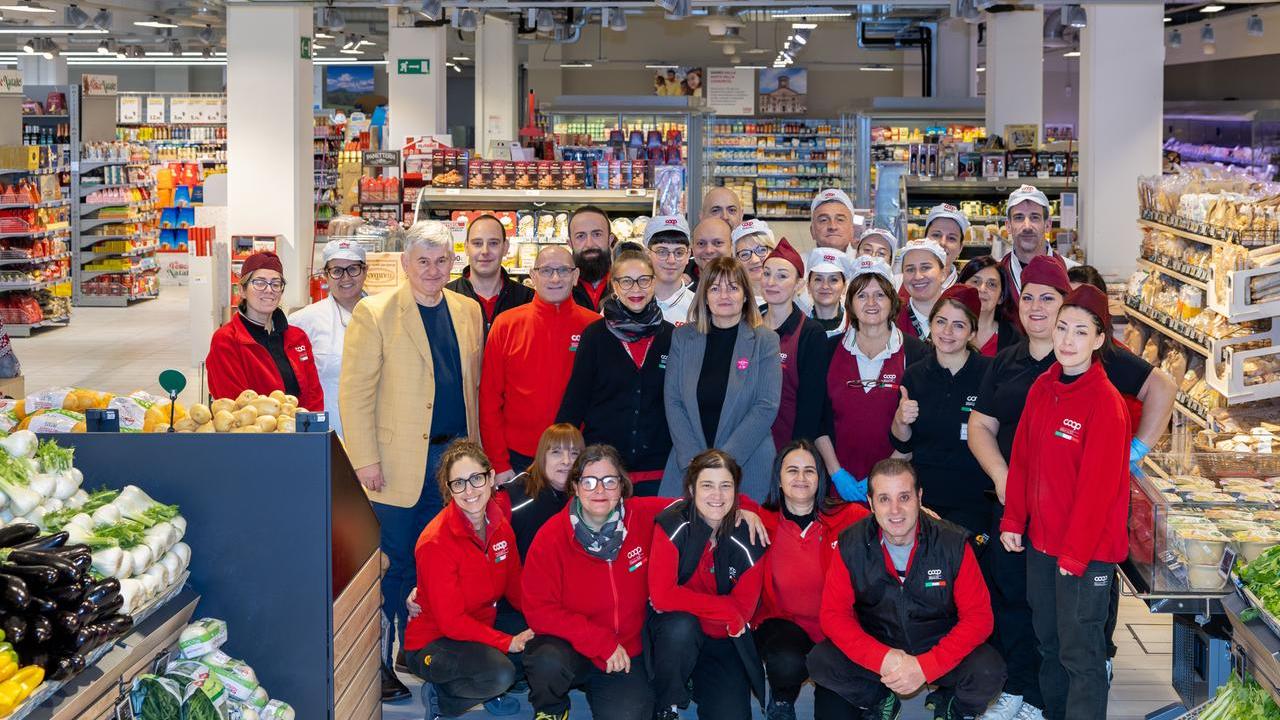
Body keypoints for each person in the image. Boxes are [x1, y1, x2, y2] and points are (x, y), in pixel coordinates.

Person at [341, 221, 485, 702]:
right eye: (422, 260)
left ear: (453, 262)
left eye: (442, 260)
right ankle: (378, 661)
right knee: (395, 564)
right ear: (405, 263)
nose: (432, 270)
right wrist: (363, 460)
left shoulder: (467, 310)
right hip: (397, 465)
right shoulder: (375, 312)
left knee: (439, 565)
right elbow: (355, 393)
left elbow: (473, 390)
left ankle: (415, 651)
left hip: (454, 465)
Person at [999, 285, 1130, 720]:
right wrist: (1013, 519)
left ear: (1098, 340)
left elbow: (1099, 491)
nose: (1067, 340)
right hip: (1042, 545)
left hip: (1086, 553)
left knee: (1081, 653)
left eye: (1080, 331)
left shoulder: (1105, 403)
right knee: (1049, 646)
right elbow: (1022, 460)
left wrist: (1075, 555)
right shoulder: (1043, 387)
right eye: (1062, 329)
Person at [808, 459, 1006, 720]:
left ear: (919, 496)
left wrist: (926, 666)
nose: (895, 510)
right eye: (884, 499)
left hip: (938, 642)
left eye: (904, 497)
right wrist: (882, 659)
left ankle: (953, 708)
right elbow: (833, 616)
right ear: (870, 502)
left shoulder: (952, 543)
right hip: (880, 642)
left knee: (990, 671)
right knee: (820, 660)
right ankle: (882, 700)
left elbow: (979, 618)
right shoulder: (850, 544)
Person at [965, 254, 1072, 720]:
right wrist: (1004, 477)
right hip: (1009, 506)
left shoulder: (1081, 358)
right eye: (1028, 297)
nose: (1036, 307)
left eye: (1047, 298)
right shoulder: (1006, 359)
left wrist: (1137, 450)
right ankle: (1019, 687)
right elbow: (979, 426)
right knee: (1011, 596)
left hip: (1061, 511)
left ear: (1066, 307)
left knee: (1050, 607)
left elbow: (1159, 385)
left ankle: (1044, 698)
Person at [520, 446, 670, 720]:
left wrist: (745, 510)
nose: (599, 490)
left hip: (624, 653)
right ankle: (551, 711)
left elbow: (703, 505)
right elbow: (538, 610)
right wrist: (600, 642)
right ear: (575, 487)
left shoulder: (645, 516)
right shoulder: (551, 537)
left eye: (609, 481)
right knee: (546, 661)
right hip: (572, 648)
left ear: (622, 487)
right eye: (589, 482)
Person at [405, 440, 529, 719]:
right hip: (434, 641)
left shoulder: (500, 526)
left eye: (476, 478)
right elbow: (452, 623)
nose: (470, 490)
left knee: (539, 645)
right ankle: (445, 696)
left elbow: (517, 588)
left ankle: (484, 683)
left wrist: (548, 621)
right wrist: (506, 642)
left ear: (491, 477)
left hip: (478, 626)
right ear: (448, 490)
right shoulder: (435, 542)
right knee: (500, 673)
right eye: (458, 483)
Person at [649, 449, 770, 720]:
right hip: (677, 637)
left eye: (725, 486)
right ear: (691, 489)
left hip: (722, 640)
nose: (717, 495)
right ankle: (667, 704)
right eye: (707, 485)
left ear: (736, 492)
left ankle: (698, 679)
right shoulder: (672, 524)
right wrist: (724, 611)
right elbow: (661, 596)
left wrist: (722, 613)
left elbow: (743, 611)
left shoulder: (751, 539)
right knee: (680, 627)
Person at [753, 440, 869, 720]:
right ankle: (782, 699)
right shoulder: (760, 519)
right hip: (784, 626)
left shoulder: (849, 516)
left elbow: (891, 519)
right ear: (778, 479)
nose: (801, 478)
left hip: (837, 631)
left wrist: (922, 516)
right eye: (792, 470)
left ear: (821, 478)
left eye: (810, 471)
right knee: (786, 662)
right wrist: (744, 509)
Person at [659, 256, 782, 500]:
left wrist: (722, 462)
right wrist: (698, 461)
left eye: (733, 287)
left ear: (746, 295)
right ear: (704, 295)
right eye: (715, 288)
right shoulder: (683, 338)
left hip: (747, 464)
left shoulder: (765, 341)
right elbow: (673, 401)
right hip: (690, 463)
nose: (724, 295)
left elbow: (766, 406)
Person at [556, 249, 674, 496]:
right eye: (626, 281)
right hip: (603, 470)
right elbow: (575, 401)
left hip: (659, 470)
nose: (636, 289)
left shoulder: (671, 336)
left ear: (653, 282)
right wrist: (558, 455)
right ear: (615, 286)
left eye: (644, 280)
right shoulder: (595, 336)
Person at [480, 245, 598, 480]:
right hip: (518, 459)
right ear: (532, 277)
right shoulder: (506, 325)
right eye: (545, 271)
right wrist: (500, 463)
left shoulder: (594, 327)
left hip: (578, 457)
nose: (555, 278)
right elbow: (489, 399)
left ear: (575, 277)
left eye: (563, 270)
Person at [816, 256, 927, 503]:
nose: (871, 303)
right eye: (862, 295)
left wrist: (881, 475)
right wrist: (836, 474)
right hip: (837, 485)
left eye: (880, 295)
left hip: (896, 486)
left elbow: (920, 429)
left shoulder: (917, 352)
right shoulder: (828, 350)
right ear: (850, 303)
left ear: (892, 301)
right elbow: (818, 420)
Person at [890, 284, 993, 535]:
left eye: (958, 325)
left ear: (971, 333)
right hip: (924, 500)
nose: (947, 332)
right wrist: (900, 421)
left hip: (975, 502)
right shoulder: (915, 374)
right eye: (941, 321)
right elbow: (903, 444)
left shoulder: (990, 374)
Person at [206, 250, 324, 412]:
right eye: (260, 282)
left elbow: (313, 395)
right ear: (242, 289)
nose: (269, 290)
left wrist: (311, 431)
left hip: (300, 433)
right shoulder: (227, 340)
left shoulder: (298, 337)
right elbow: (234, 405)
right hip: (255, 435)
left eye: (276, 284)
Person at [288, 239, 367, 437]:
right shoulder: (304, 320)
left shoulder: (386, 315)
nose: (345, 277)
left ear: (365, 271)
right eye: (337, 270)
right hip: (329, 433)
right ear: (326, 275)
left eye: (353, 269)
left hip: (377, 433)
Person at [761, 239, 828, 449]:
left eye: (782, 276)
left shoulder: (811, 334)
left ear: (799, 284)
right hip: (746, 449)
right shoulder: (746, 326)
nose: (771, 282)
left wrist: (796, 454)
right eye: (766, 273)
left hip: (787, 448)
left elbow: (811, 406)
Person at [495, 423, 584, 558]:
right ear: (543, 456)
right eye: (556, 452)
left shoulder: (585, 499)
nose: (566, 461)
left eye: (574, 453)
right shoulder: (514, 497)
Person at [446, 214, 534, 335]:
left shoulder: (528, 299)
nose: (485, 251)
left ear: (505, 247)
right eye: (477, 243)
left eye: (493, 243)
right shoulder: (446, 297)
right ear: (466, 248)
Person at [999, 185, 1079, 294]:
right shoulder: (996, 275)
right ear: (1008, 226)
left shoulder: (1073, 274)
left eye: (1035, 217)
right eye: (1019, 217)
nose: (1027, 226)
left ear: (1048, 225)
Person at [958, 255, 1022, 357]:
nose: (982, 289)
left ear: (1001, 297)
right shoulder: (945, 330)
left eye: (992, 284)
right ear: (960, 288)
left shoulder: (1014, 340)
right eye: (975, 282)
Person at [646, 215, 696, 326]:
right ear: (648, 254)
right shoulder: (628, 301)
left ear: (688, 255)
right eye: (662, 252)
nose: (671, 260)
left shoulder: (699, 308)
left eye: (679, 252)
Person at [896, 239, 949, 340]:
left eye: (925, 268)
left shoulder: (959, 316)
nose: (918, 276)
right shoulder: (892, 319)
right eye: (910, 269)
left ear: (943, 274)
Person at [568, 206, 616, 312]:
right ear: (570, 243)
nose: (589, 244)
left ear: (610, 240)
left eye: (597, 234)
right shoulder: (560, 288)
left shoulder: (628, 284)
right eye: (580, 236)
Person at [806, 247, 854, 338]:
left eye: (833, 280)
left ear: (844, 287)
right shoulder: (797, 328)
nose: (825, 286)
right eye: (818, 279)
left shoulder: (857, 328)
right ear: (808, 286)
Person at [923, 203, 968, 288]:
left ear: (960, 248)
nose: (943, 243)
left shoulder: (966, 290)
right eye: (936, 235)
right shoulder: (900, 282)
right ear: (924, 239)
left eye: (951, 238)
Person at [732, 219, 776, 304]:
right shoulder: (732, 301)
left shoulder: (790, 296)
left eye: (761, 250)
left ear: (773, 252)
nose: (754, 260)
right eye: (745, 254)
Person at [810, 188, 859, 252]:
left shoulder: (862, 261)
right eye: (824, 220)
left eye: (840, 220)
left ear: (852, 229)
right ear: (812, 231)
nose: (833, 227)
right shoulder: (800, 261)